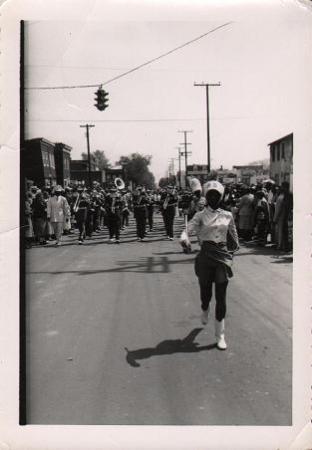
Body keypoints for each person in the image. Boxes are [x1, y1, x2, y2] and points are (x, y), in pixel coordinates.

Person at [180, 180, 239, 350]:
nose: (213, 198)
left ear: (221, 197)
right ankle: (204, 307)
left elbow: (234, 238)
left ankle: (220, 335)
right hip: (205, 256)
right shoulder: (199, 215)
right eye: (210, 195)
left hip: (222, 257)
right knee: (206, 293)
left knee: (221, 296)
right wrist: (184, 238)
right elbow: (187, 230)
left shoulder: (227, 215)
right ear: (206, 196)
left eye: (217, 195)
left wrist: (230, 255)